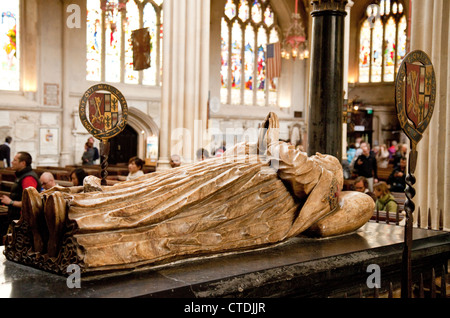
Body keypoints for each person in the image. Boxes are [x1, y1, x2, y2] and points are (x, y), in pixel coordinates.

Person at [11, 112, 375, 272]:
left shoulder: (321, 179)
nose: (316, 155)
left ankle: (73, 217)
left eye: (321, 157)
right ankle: (71, 210)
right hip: (230, 178)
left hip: (242, 186)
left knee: (162, 207)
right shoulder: (323, 193)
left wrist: (271, 142)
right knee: (158, 201)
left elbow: (286, 162)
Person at [0, 152, 41, 237]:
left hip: (22, 220)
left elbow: (29, 202)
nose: (12, 162)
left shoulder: (28, 178)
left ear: (23, 163)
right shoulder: (21, 176)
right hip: (15, 217)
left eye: (15, 160)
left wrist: (11, 202)